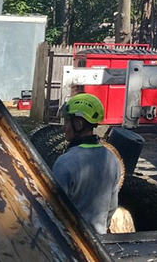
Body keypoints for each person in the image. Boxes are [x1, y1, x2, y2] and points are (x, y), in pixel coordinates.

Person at [52, 93, 121, 234]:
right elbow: (112, 207)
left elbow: (53, 209)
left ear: (79, 124)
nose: (64, 128)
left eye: (66, 122)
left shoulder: (65, 163)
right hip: (98, 241)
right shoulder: (111, 159)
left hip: (69, 242)